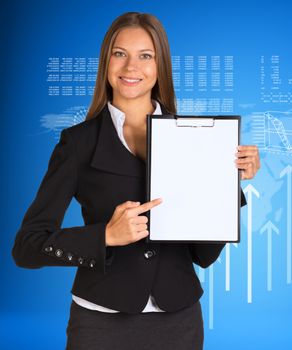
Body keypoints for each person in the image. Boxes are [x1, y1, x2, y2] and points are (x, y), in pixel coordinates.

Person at [12, 12, 260, 350]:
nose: (131, 67)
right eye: (120, 53)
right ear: (106, 62)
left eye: (145, 55)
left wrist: (230, 183)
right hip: (99, 324)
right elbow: (27, 247)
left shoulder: (198, 139)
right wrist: (105, 236)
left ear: (160, 67)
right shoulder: (78, 143)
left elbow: (204, 255)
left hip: (179, 322)